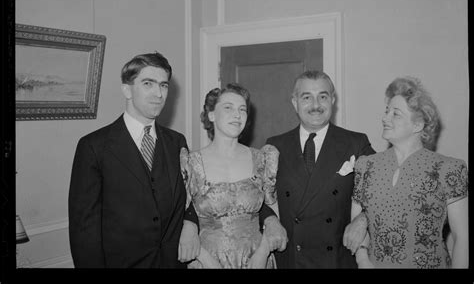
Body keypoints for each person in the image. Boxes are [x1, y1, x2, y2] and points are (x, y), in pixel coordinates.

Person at [68, 52, 198, 268]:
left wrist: (190, 224)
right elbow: (84, 230)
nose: (159, 94)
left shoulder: (177, 142)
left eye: (164, 85)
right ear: (127, 89)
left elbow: (191, 196)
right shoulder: (93, 147)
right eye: (148, 84)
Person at [346, 76, 468, 269]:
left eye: (396, 114)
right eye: (387, 111)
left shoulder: (449, 169)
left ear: (418, 125)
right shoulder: (366, 166)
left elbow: (463, 238)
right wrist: (363, 261)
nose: (384, 118)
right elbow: (358, 225)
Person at [259, 70, 376, 268]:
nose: (315, 105)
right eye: (307, 97)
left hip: (338, 259)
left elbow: (383, 191)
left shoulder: (356, 143)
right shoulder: (275, 145)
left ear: (332, 100)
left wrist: (363, 219)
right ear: (295, 102)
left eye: (322, 96)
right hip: (291, 259)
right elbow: (256, 196)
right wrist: (270, 220)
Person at [179, 83, 286, 268]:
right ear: (211, 114)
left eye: (242, 109)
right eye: (228, 108)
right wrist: (205, 260)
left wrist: (263, 253)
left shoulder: (261, 159)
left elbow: (273, 215)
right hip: (206, 261)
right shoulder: (191, 163)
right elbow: (180, 221)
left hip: (256, 260)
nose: (237, 115)